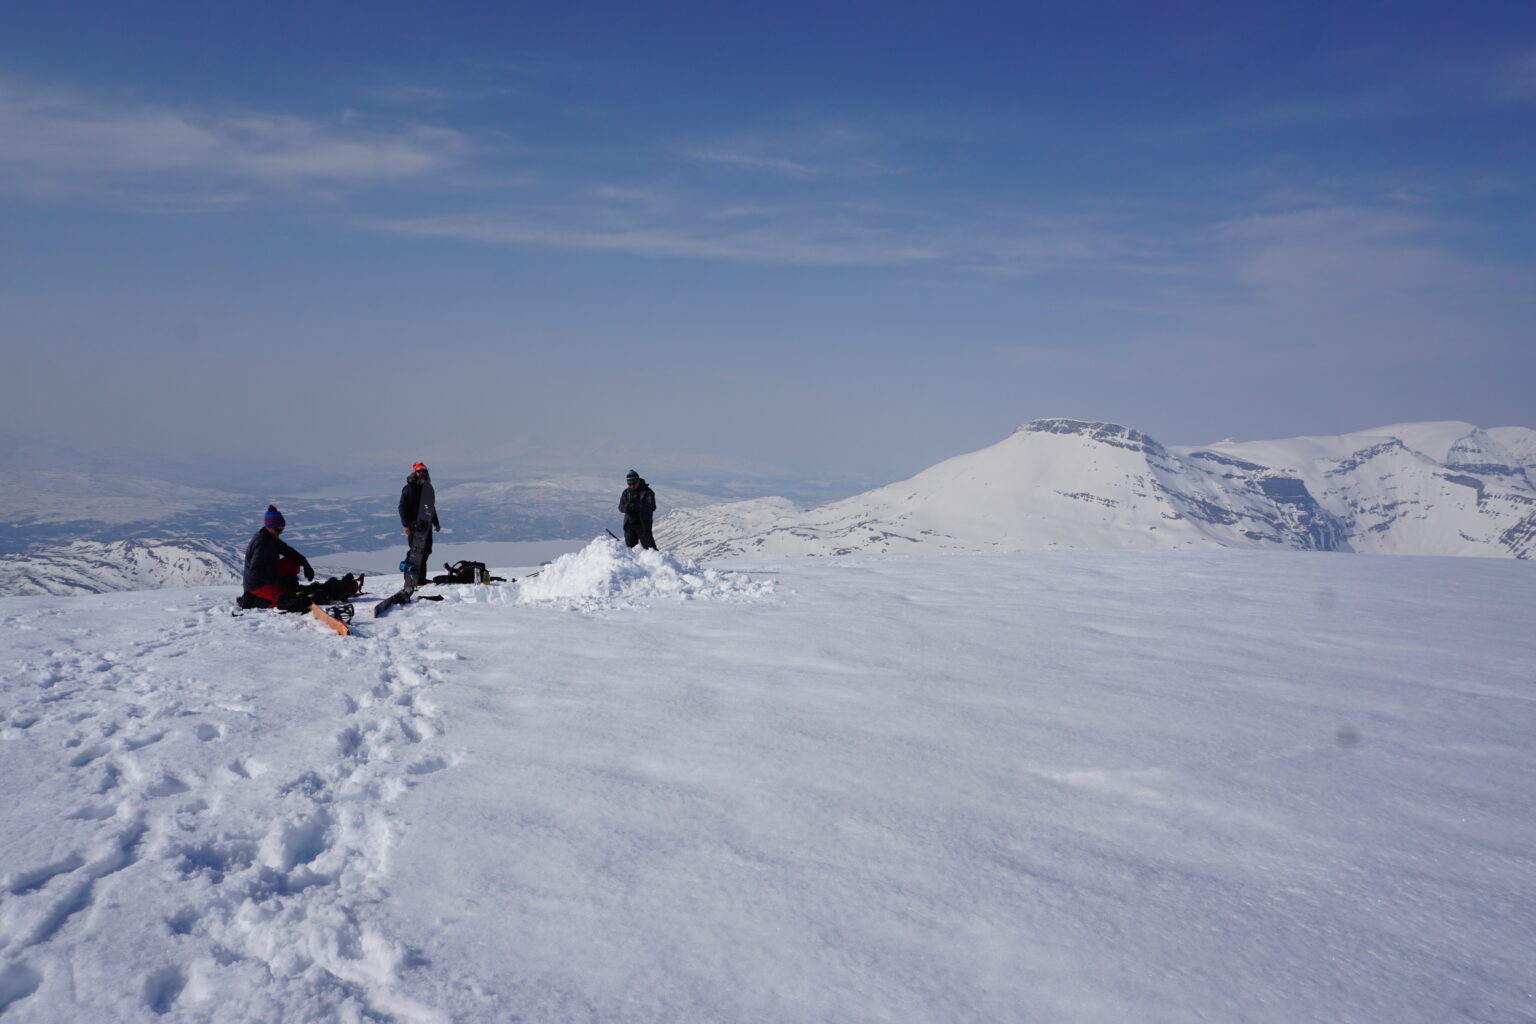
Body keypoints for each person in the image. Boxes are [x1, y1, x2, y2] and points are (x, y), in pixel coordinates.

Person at [239, 505, 316, 611]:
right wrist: (281, 580)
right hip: (257, 585)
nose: (280, 533)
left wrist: (305, 564)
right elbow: (255, 572)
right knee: (288, 600)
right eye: (278, 530)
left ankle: (286, 587)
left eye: (282, 530)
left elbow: (288, 551)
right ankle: (253, 599)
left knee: (293, 560)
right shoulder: (262, 543)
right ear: (269, 527)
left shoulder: (270, 537)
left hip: (270, 575)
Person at [399, 462, 442, 587]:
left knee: (426, 551)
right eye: (419, 471)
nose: (422, 473)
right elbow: (402, 507)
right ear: (415, 473)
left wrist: (436, 523)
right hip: (413, 526)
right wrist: (405, 525)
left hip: (426, 526)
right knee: (415, 552)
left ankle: (421, 578)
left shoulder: (427, 488)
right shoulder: (409, 488)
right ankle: (409, 577)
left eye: (424, 471)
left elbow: (430, 508)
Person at [618, 469, 658, 550]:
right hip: (629, 525)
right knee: (630, 550)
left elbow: (652, 507)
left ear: (638, 481)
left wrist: (637, 506)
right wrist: (626, 507)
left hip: (643, 525)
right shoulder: (626, 492)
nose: (632, 486)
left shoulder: (647, 492)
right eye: (629, 484)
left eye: (634, 483)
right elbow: (620, 507)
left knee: (650, 549)